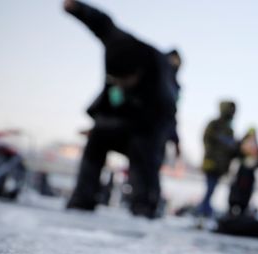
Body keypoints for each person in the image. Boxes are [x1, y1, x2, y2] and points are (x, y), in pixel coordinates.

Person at [63, 0, 177, 218]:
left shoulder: (159, 75)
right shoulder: (118, 42)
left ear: (138, 73)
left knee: (143, 151)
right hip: (120, 117)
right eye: (115, 80)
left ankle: (144, 204)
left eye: (124, 80)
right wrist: (78, 9)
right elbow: (102, 23)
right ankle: (83, 198)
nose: (120, 85)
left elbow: (164, 119)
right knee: (97, 139)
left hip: (148, 127)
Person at [197, 100, 238, 218]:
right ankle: (203, 210)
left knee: (212, 188)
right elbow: (206, 138)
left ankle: (205, 209)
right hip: (212, 162)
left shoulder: (229, 129)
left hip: (221, 165)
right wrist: (211, 154)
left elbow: (231, 150)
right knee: (210, 187)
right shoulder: (215, 124)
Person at [228, 127, 258, 215]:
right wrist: (243, 153)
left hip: (249, 175)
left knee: (245, 195)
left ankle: (242, 212)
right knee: (235, 193)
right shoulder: (240, 144)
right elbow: (233, 154)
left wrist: (254, 160)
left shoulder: (257, 148)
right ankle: (231, 211)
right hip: (239, 173)